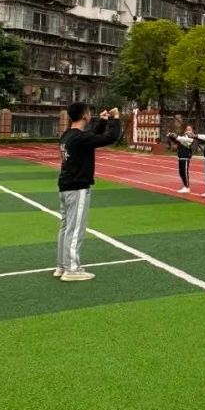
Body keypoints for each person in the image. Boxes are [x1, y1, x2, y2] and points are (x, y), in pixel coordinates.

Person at [55, 104, 122, 281]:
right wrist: (116, 119)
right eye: (89, 113)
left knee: (66, 228)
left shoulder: (68, 135)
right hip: (77, 187)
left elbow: (92, 138)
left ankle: (62, 265)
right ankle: (72, 269)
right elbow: (110, 137)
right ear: (85, 115)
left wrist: (103, 121)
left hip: (65, 186)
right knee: (75, 229)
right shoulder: (79, 138)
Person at [165, 125, 195, 193]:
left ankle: (187, 187)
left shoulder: (191, 138)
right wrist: (171, 136)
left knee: (184, 172)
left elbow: (182, 139)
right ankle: (185, 186)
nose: (188, 131)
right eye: (187, 129)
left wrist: (176, 136)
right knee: (181, 172)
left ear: (192, 131)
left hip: (186, 156)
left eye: (190, 129)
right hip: (181, 156)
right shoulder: (183, 137)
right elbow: (177, 141)